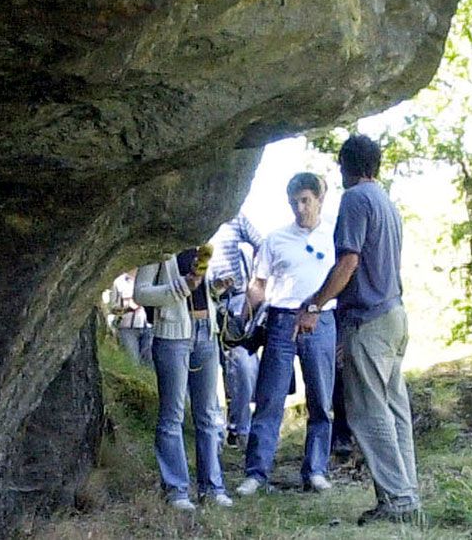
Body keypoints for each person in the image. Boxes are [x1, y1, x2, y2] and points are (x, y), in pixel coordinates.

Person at [297, 135, 420, 525]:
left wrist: (315, 304)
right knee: (395, 410)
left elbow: (348, 262)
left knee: (369, 413)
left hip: (369, 319)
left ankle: (397, 501)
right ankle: (406, 495)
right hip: (395, 314)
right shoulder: (387, 202)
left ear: (345, 166)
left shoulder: (355, 199)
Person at [235, 173, 337, 496]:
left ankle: (316, 469)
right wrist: (243, 315)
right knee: (269, 398)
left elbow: (345, 274)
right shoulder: (275, 239)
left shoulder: (333, 235)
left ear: (319, 199)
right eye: (294, 201)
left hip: (321, 319)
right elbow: (259, 283)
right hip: (281, 320)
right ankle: (256, 472)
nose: (300, 207)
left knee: (321, 399)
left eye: (306, 200)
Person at [134, 248, 232, 511]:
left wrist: (215, 288)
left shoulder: (202, 244)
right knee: (172, 415)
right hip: (171, 335)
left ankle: (212, 487)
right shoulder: (161, 247)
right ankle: (177, 490)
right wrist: (181, 286)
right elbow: (141, 293)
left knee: (209, 413)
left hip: (206, 332)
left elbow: (201, 292)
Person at [207, 214, 264, 450]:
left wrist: (255, 283)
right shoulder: (194, 220)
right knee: (210, 371)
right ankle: (215, 433)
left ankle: (242, 429)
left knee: (243, 365)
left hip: (237, 302)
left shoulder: (236, 218)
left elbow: (263, 245)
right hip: (204, 303)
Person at [109, 269, 153, 366]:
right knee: (132, 362)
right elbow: (112, 308)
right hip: (127, 328)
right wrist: (128, 308)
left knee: (149, 364)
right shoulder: (118, 282)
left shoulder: (150, 278)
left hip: (149, 327)